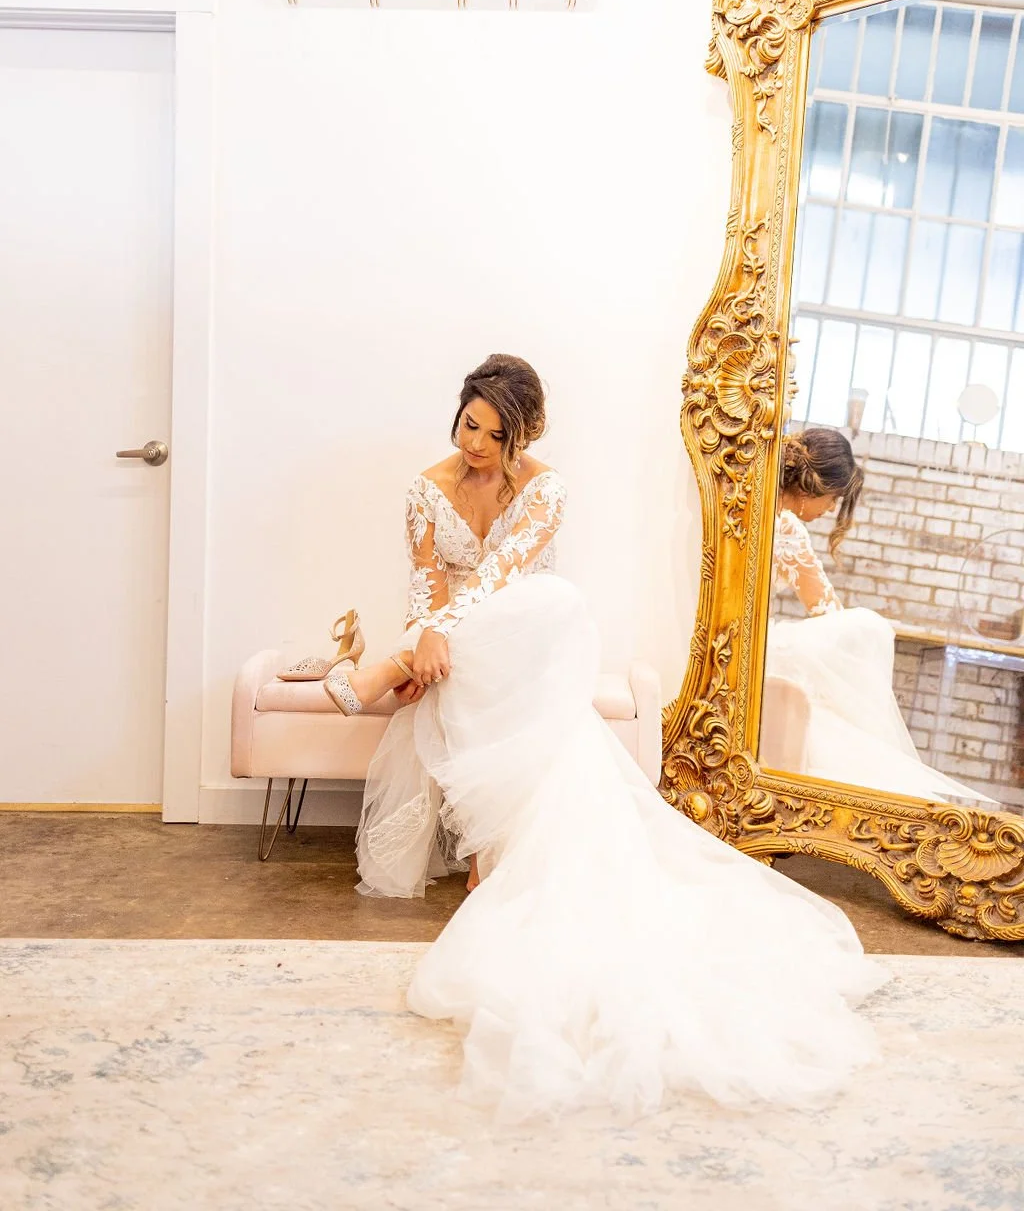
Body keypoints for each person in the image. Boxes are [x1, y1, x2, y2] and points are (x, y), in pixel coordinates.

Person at [298, 358, 884, 1122]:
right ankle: (487, 851)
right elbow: (428, 581)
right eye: (469, 424)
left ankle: (393, 671)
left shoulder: (547, 489)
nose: (476, 443)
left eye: (496, 434)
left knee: (547, 598)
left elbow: (502, 574)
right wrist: (431, 630)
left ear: (526, 435)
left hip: (540, 635)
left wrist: (428, 641)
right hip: (472, 648)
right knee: (464, 656)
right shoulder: (424, 489)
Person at [765, 427, 993, 803]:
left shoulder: (753, 510)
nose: (832, 511)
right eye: (834, 499)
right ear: (812, 487)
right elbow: (828, 613)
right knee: (868, 628)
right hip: (762, 643)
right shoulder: (787, 525)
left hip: (749, 636)